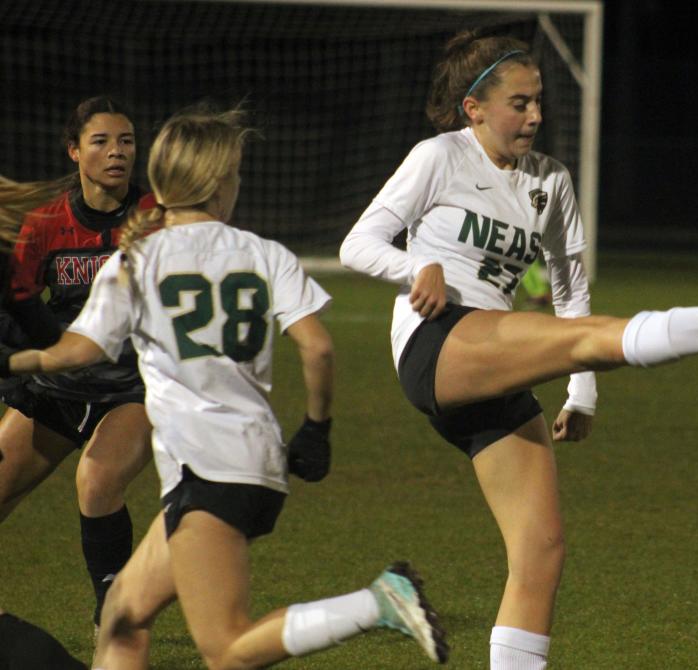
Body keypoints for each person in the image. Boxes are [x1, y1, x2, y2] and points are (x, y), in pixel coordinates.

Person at [339, 30, 698, 670]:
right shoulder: (439, 157)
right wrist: (417, 267)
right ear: (475, 108)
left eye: (539, 101)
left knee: (541, 548)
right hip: (438, 344)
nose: (536, 116)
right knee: (580, 340)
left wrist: (583, 391)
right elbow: (359, 242)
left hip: (498, 360)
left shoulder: (551, 181)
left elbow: (570, 290)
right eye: (520, 103)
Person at [0, 106, 448, 669]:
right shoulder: (266, 253)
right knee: (123, 618)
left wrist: (18, 360)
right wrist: (316, 429)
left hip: (208, 474)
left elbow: (78, 351)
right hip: (248, 463)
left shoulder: (136, 259)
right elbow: (319, 348)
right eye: (235, 173)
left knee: (228, 648)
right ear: (217, 184)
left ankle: (378, 603)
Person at [0, 96, 155, 630]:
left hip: (131, 390)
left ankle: (113, 620)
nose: (117, 152)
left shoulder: (157, 219)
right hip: (57, 386)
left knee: (96, 481)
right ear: (74, 151)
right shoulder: (45, 224)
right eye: (101, 141)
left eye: (127, 140)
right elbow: (17, 308)